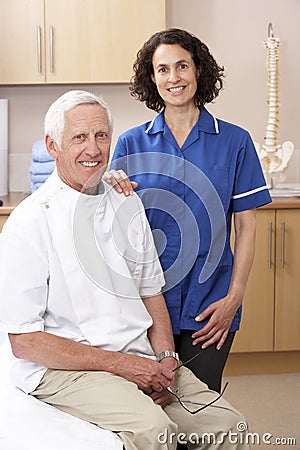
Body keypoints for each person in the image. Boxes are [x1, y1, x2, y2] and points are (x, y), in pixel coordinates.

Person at [0, 90, 250, 450]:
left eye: (101, 136)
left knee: (230, 426)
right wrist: (122, 366)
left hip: (139, 355)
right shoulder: (29, 222)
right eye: (79, 137)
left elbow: (151, 290)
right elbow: (24, 341)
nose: (93, 148)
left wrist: (165, 357)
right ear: (52, 146)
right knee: (153, 429)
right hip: (67, 369)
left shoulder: (125, 201)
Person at [109, 28, 272, 393]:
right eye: (162, 69)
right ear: (152, 78)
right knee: (154, 401)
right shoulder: (130, 143)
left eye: (182, 66)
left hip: (212, 303)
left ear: (198, 70)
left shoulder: (235, 141)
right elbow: (114, 222)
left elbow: (246, 227)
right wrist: (106, 188)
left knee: (199, 404)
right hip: (148, 303)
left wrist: (234, 298)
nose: (174, 77)